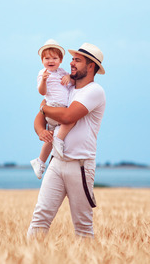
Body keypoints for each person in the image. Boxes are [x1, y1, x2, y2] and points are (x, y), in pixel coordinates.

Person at [27, 42, 106, 239]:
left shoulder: (94, 91)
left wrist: (45, 108)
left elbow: (67, 116)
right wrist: (39, 130)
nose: (71, 63)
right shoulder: (67, 87)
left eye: (77, 60)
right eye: (71, 59)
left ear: (90, 67)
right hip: (56, 161)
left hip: (79, 165)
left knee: (82, 226)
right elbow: (41, 114)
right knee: (40, 218)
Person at [30, 39, 76, 179]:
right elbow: (42, 92)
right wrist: (43, 80)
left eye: (54, 58)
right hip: (53, 107)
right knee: (70, 121)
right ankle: (59, 140)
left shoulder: (62, 72)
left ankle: (40, 161)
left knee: (49, 138)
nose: (51, 61)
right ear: (42, 60)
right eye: (47, 58)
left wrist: (69, 77)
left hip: (61, 107)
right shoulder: (42, 73)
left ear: (60, 60)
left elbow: (73, 82)